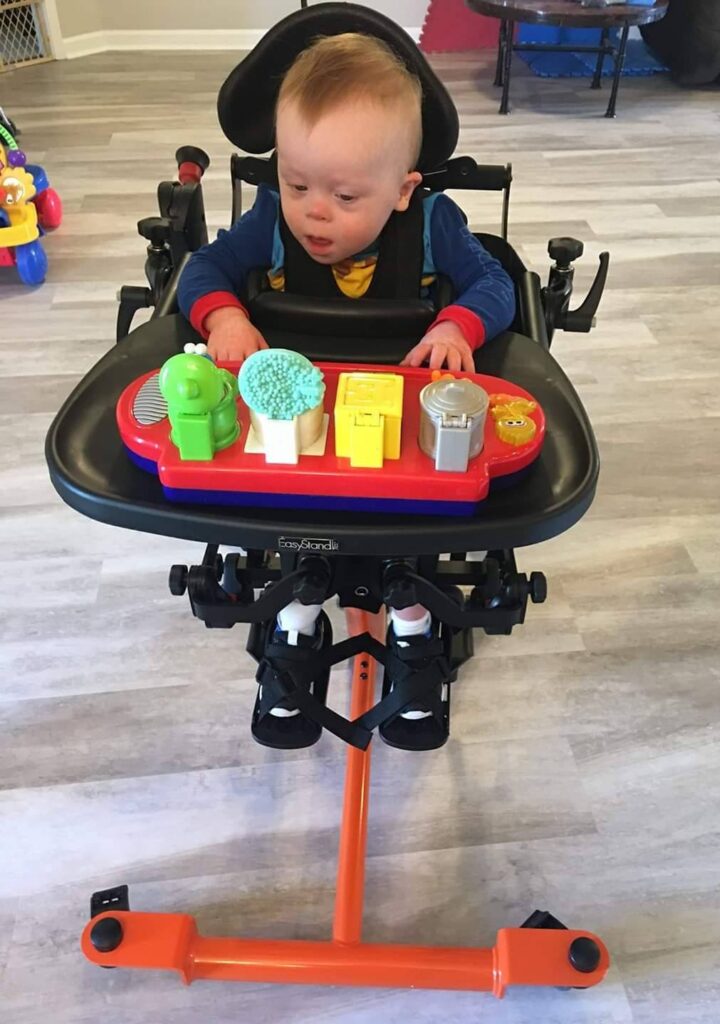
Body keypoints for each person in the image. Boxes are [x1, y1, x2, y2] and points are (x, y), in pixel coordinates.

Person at [178, 32, 515, 750]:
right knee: (291, 519)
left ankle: (413, 620)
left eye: (343, 194)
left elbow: (495, 284)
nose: (314, 212)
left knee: (417, 523)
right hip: (292, 427)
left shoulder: (432, 226)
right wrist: (226, 313)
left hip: (402, 430)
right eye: (297, 184)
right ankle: (298, 614)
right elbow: (203, 270)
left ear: (401, 191)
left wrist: (458, 325)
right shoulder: (269, 220)